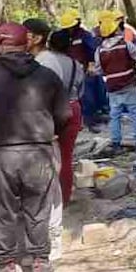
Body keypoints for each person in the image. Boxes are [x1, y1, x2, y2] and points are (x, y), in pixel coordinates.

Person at [0, 23, 69, 272]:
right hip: (38, 152)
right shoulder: (47, 76)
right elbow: (64, 114)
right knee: (38, 207)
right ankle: (40, 263)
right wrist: (48, 131)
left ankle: (7, 267)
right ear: (27, 44)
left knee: (1, 210)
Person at [33, 25, 84, 207]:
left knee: (50, 155)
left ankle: (50, 199)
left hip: (54, 110)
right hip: (73, 107)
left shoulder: (45, 61)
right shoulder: (75, 64)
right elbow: (81, 88)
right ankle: (65, 196)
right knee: (67, 156)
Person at [95, 10, 136, 154]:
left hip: (113, 88)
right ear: (116, 30)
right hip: (129, 84)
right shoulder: (126, 45)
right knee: (135, 115)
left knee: (115, 116)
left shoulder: (99, 51)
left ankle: (116, 145)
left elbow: (99, 71)